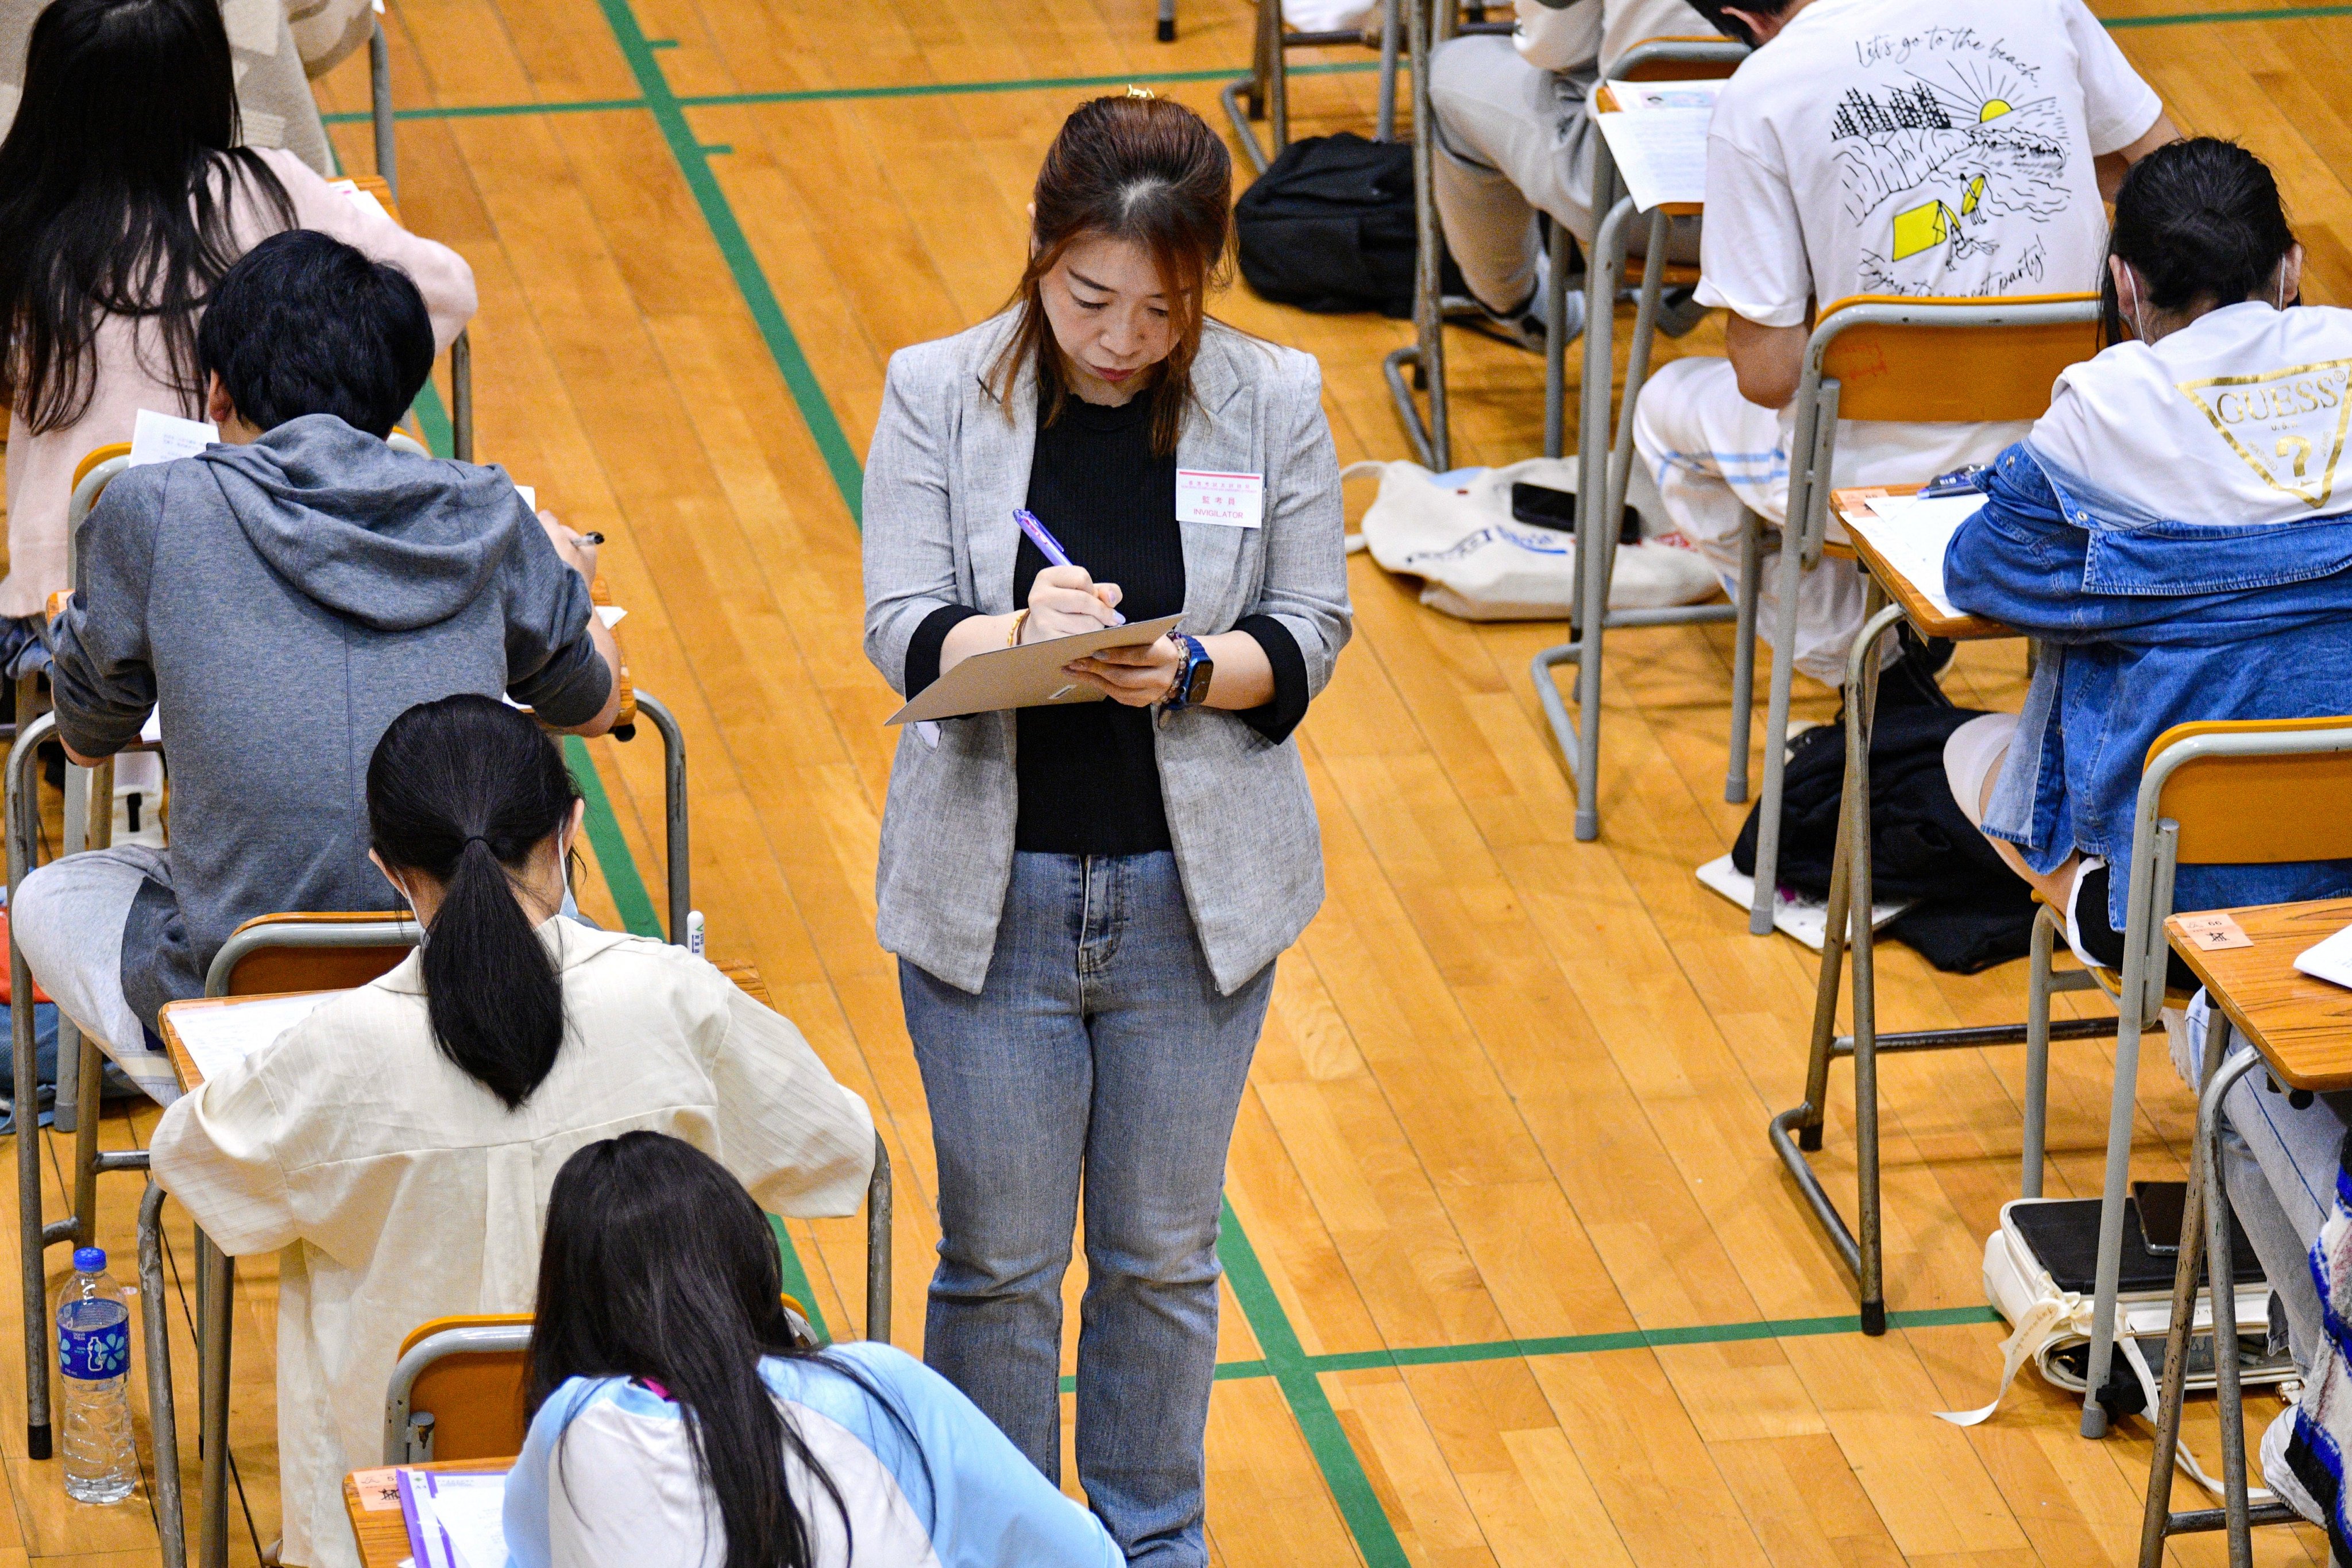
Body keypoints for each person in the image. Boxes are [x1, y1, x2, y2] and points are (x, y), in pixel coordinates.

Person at [860, 92, 1350, 1567]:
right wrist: (1015, 627)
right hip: (988, 902)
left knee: (1160, 1259)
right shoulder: (937, 390)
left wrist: (1192, 665)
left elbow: (1310, 628)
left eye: (1162, 305)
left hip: (1192, 911)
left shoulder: (1272, 399)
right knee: (999, 1266)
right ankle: (1001, 1538)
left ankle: (1151, 1538)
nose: (1125, 337)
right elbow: (900, 630)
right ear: (1039, 250)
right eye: (1091, 297)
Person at [150, 696, 879, 1568]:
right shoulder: (676, 998)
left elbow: (193, 1169)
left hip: (407, 1509)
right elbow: (839, 1149)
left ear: (389, 867)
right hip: (658, 1496)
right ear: (569, 828)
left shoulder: (336, 1050)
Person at [1936, 137, 2352, 1527]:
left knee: (1978, 748)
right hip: (2343, 891)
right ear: (2290, 270)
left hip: (2175, 906)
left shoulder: (2102, 411)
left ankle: (2201, 1044)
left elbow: (1985, 574)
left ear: (2126, 284)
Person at [14, 229, 616, 1104]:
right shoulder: (487, 509)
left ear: (216, 391)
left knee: (51, 891)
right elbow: (592, 704)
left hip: (243, 994)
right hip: (466, 969)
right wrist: (574, 579)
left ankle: (201, 1104)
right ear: (395, 400)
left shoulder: (151, 507)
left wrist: (83, 631)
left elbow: (85, 737)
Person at [1629, 0, 2175, 698]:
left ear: (1744, 17)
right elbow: (2174, 179)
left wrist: (1808, 287)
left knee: (1664, 410)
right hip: (2078, 454)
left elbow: (1768, 376)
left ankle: (1877, 678)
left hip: (1875, 491)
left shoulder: (1760, 93)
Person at [0, 0, 476, 647]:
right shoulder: (271, 188)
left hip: (68, 607)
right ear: (206, 81)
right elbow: (444, 292)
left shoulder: (27, 224)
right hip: (282, 584)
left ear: (49, 96)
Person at [507, 1131, 1121, 1568]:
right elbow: (1085, 1557)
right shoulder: (874, 1386)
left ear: (571, 1303)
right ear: (748, 1260)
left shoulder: (573, 1421)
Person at [1428, 0, 1716, 348]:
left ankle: (1524, 307)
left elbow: (1554, 46)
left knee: (1446, 74)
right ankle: (1690, 293)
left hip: (1632, 207)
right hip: (1780, 218)